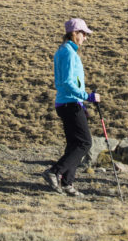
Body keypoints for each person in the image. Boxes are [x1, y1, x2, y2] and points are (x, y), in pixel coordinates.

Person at [42, 18, 101, 197]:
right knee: (85, 142)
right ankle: (54, 172)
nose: (85, 38)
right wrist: (87, 97)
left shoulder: (64, 51)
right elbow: (67, 82)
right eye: (83, 33)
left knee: (74, 143)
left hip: (67, 103)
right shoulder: (68, 53)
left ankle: (67, 183)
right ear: (74, 33)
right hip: (71, 102)